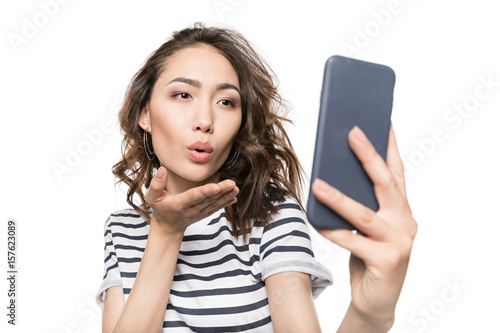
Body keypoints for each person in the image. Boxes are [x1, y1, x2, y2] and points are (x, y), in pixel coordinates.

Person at [96, 23, 417, 333]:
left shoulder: (271, 215)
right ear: (145, 114)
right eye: (182, 95)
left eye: (226, 102)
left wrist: (370, 316)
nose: (205, 120)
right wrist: (166, 233)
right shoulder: (122, 230)